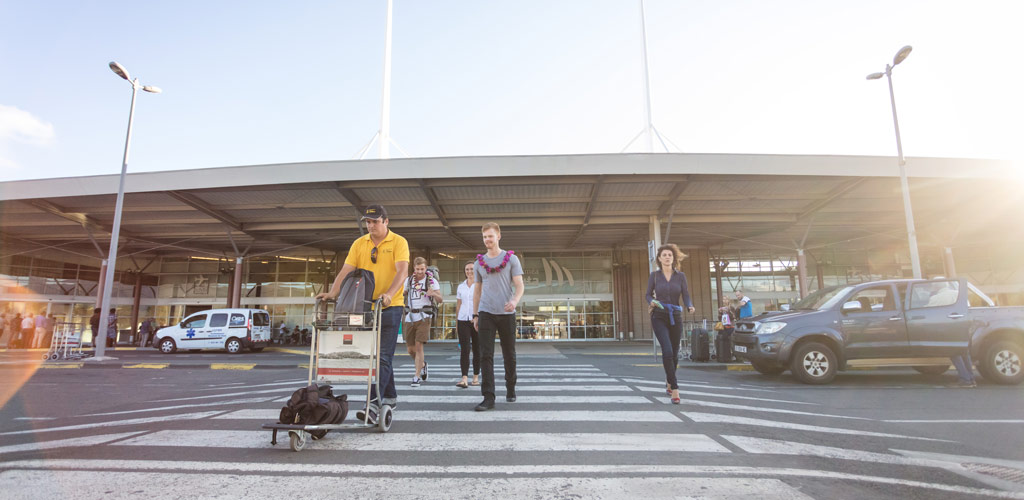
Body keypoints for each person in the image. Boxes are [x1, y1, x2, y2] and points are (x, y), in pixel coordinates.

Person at [315, 204, 409, 423]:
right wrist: (333, 292)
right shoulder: (359, 244)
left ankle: (373, 405)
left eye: (375, 221)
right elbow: (347, 270)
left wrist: (389, 294)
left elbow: (402, 270)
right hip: (364, 308)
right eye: (368, 222)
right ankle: (391, 396)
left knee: (383, 356)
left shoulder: (398, 242)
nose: (371, 225)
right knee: (376, 356)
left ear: (386, 222)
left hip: (390, 306)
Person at [472, 222, 525, 411]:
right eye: (485, 237)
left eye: (490, 236)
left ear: (498, 237)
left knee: (509, 354)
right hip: (486, 312)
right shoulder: (479, 263)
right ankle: (488, 397)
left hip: (506, 313)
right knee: (485, 355)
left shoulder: (511, 259)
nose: (487, 240)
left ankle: (510, 387)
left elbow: (519, 285)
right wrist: (475, 314)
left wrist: (515, 301)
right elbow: (477, 290)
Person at [646, 243, 696, 404]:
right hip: (659, 316)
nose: (667, 257)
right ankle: (674, 388)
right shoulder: (654, 276)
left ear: (673, 258)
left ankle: (668, 380)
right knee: (667, 351)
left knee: (674, 354)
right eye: (664, 255)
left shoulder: (680, 276)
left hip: (675, 315)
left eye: (670, 255)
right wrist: (652, 301)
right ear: (659, 259)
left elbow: (686, 294)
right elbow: (647, 294)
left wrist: (689, 305)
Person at [403, 257, 442, 387]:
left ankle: (417, 376)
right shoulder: (408, 281)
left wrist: (433, 294)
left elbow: (441, 299)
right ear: (414, 268)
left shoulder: (431, 281)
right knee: (410, 349)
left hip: (424, 316)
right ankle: (423, 364)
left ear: (426, 268)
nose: (420, 271)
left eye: (422, 269)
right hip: (410, 316)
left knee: (419, 345)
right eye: (417, 269)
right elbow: (403, 294)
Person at [455, 260, 481, 388]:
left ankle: (475, 377)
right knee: (464, 350)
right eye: (467, 269)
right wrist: (456, 322)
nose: (469, 271)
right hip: (463, 320)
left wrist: (478, 317)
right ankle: (464, 378)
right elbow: (459, 305)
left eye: (471, 269)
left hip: (476, 320)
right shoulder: (461, 286)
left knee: (477, 350)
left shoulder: (480, 285)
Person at [718, 298, 735, 363]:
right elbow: (720, 318)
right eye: (723, 299)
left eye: (726, 299)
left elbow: (733, 316)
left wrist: (728, 311)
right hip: (723, 326)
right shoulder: (722, 308)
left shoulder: (731, 307)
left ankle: (732, 355)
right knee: (723, 340)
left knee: (731, 341)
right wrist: (720, 312)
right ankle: (724, 355)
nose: (724, 301)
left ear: (729, 300)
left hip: (730, 326)